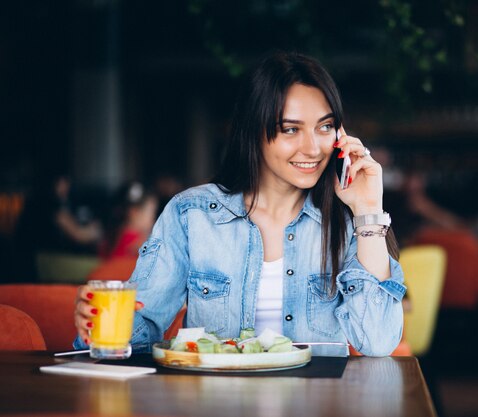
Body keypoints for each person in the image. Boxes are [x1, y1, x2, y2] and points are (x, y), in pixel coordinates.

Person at [73, 51, 406, 356]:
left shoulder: (348, 222)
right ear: (253, 131)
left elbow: (377, 342)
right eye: (290, 129)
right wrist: (97, 325)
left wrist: (367, 211)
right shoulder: (193, 216)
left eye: (325, 127)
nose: (313, 147)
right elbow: (140, 329)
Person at [100, 182, 158, 260]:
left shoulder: (114, 234)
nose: (154, 219)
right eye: (152, 212)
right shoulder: (137, 242)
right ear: (134, 212)